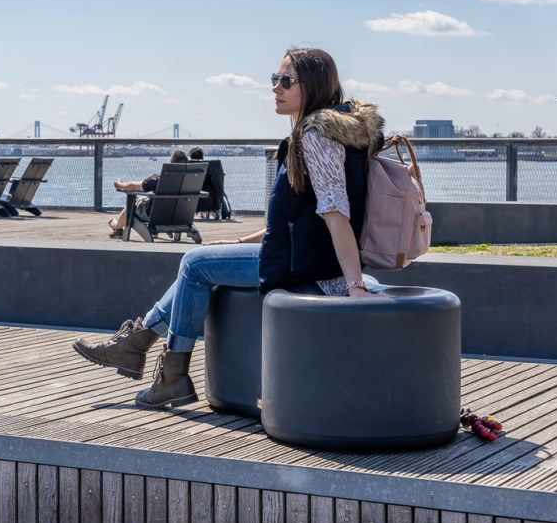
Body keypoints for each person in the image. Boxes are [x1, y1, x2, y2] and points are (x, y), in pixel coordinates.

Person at [74, 48, 385, 408]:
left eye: (286, 81)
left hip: (306, 269)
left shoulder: (315, 137)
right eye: (274, 79)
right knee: (202, 258)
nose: (275, 88)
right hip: (302, 257)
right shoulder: (333, 132)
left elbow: (336, 214)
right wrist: (238, 240)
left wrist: (355, 286)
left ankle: (161, 365)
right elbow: (292, 223)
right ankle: (142, 349)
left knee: (194, 263)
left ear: (312, 86)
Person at [108, 149, 189, 237]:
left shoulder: (158, 180)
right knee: (146, 200)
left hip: (154, 215)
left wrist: (119, 185)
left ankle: (117, 228)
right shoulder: (188, 182)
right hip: (176, 217)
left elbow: (133, 186)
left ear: (169, 163)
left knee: (132, 204)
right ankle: (159, 227)